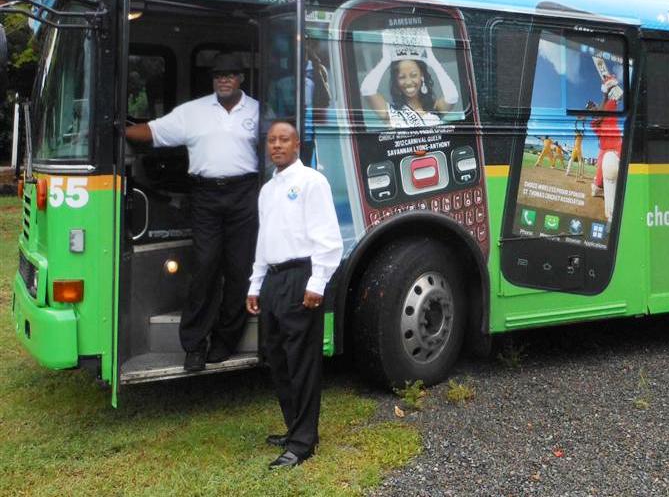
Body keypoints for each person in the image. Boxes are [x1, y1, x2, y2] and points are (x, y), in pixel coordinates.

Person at [125, 52, 258, 372]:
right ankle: (195, 346)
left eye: (230, 75)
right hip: (206, 196)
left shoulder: (258, 110)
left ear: (241, 79)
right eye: (217, 76)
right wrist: (114, 132)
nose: (223, 80)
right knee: (206, 267)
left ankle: (226, 341)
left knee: (240, 271)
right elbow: (153, 131)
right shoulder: (194, 112)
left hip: (244, 194)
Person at [246, 121, 343, 470]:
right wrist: (256, 284)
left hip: (300, 277)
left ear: (297, 144)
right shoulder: (268, 190)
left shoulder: (312, 183)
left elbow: (329, 238)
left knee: (301, 362)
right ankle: (294, 428)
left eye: (283, 140)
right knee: (278, 359)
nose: (276, 146)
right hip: (273, 281)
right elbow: (263, 240)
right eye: (271, 141)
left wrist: (318, 282)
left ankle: (303, 443)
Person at [360, 28, 459, 128]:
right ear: (396, 81)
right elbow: (367, 90)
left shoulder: (435, 108)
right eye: (402, 77)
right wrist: (385, 61)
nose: (408, 82)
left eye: (413, 75)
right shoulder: (390, 112)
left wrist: (434, 62)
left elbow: (452, 96)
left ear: (422, 76)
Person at [589, 71, 624, 221]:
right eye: (590, 109)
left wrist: (612, 86)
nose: (593, 108)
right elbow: (600, 116)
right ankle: (611, 214)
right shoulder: (594, 122)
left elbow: (618, 96)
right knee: (601, 178)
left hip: (618, 146)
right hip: (605, 151)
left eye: (593, 106)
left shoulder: (607, 108)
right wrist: (605, 92)